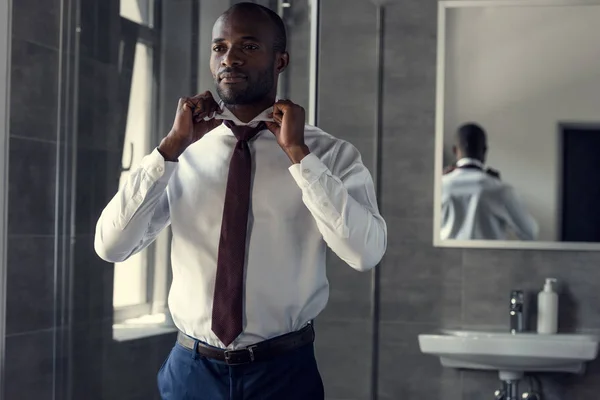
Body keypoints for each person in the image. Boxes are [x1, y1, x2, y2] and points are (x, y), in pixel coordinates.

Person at [94, 3, 387, 400]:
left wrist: (301, 157)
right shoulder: (182, 153)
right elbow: (111, 246)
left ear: (280, 60)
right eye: (219, 48)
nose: (229, 58)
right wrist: (169, 149)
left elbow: (364, 253)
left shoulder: (330, 155)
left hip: (284, 375)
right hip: (191, 372)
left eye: (248, 46)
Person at [441, 123, 538, 240]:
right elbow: (530, 232)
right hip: (489, 258)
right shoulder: (501, 190)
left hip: (445, 257)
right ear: (485, 151)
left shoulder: (439, 186)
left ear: (455, 150)